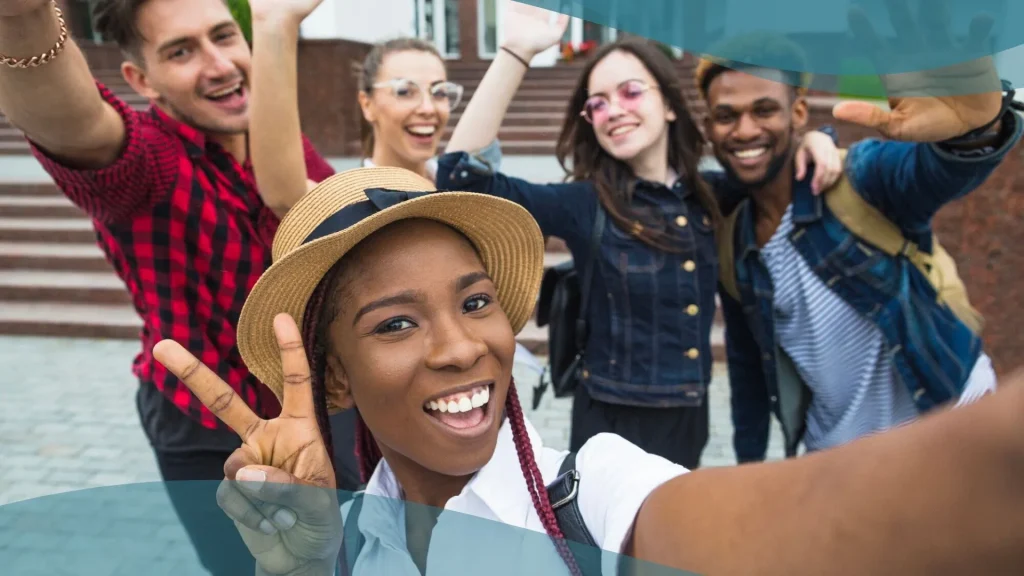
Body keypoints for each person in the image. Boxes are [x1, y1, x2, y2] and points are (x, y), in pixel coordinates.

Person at [152, 165, 1024, 576]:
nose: (462, 348)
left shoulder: (599, 497)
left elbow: (888, 510)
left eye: (476, 301)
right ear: (333, 379)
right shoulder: (353, 540)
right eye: (397, 322)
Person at [0, 0, 337, 572]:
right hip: (208, 427)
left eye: (225, 36)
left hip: (325, 407)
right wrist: (21, 18)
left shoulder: (282, 140)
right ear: (141, 80)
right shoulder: (147, 162)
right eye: (181, 51)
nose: (219, 64)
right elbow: (71, 121)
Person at [432, 2, 841, 469]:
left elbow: (774, 163)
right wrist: (515, 51)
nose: (614, 111)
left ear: (668, 104)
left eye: (630, 92)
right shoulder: (586, 203)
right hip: (609, 420)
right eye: (598, 103)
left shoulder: (713, 194)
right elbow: (460, 180)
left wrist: (817, 136)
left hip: (691, 414)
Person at [243, 0, 541, 490]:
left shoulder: (451, 193)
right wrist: (274, 27)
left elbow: (463, 150)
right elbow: (280, 187)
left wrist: (516, 48)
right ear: (366, 104)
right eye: (405, 91)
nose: (428, 107)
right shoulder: (337, 207)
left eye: (440, 91)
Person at [695, 31, 1021, 462]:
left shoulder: (859, 178)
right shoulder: (732, 242)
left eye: (764, 109)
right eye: (726, 115)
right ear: (709, 128)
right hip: (840, 460)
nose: (745, 129)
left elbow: (932, 173)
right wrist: (746, 475)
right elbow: (748, 370)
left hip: (950, 433)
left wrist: (975, 133)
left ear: (797, 113)